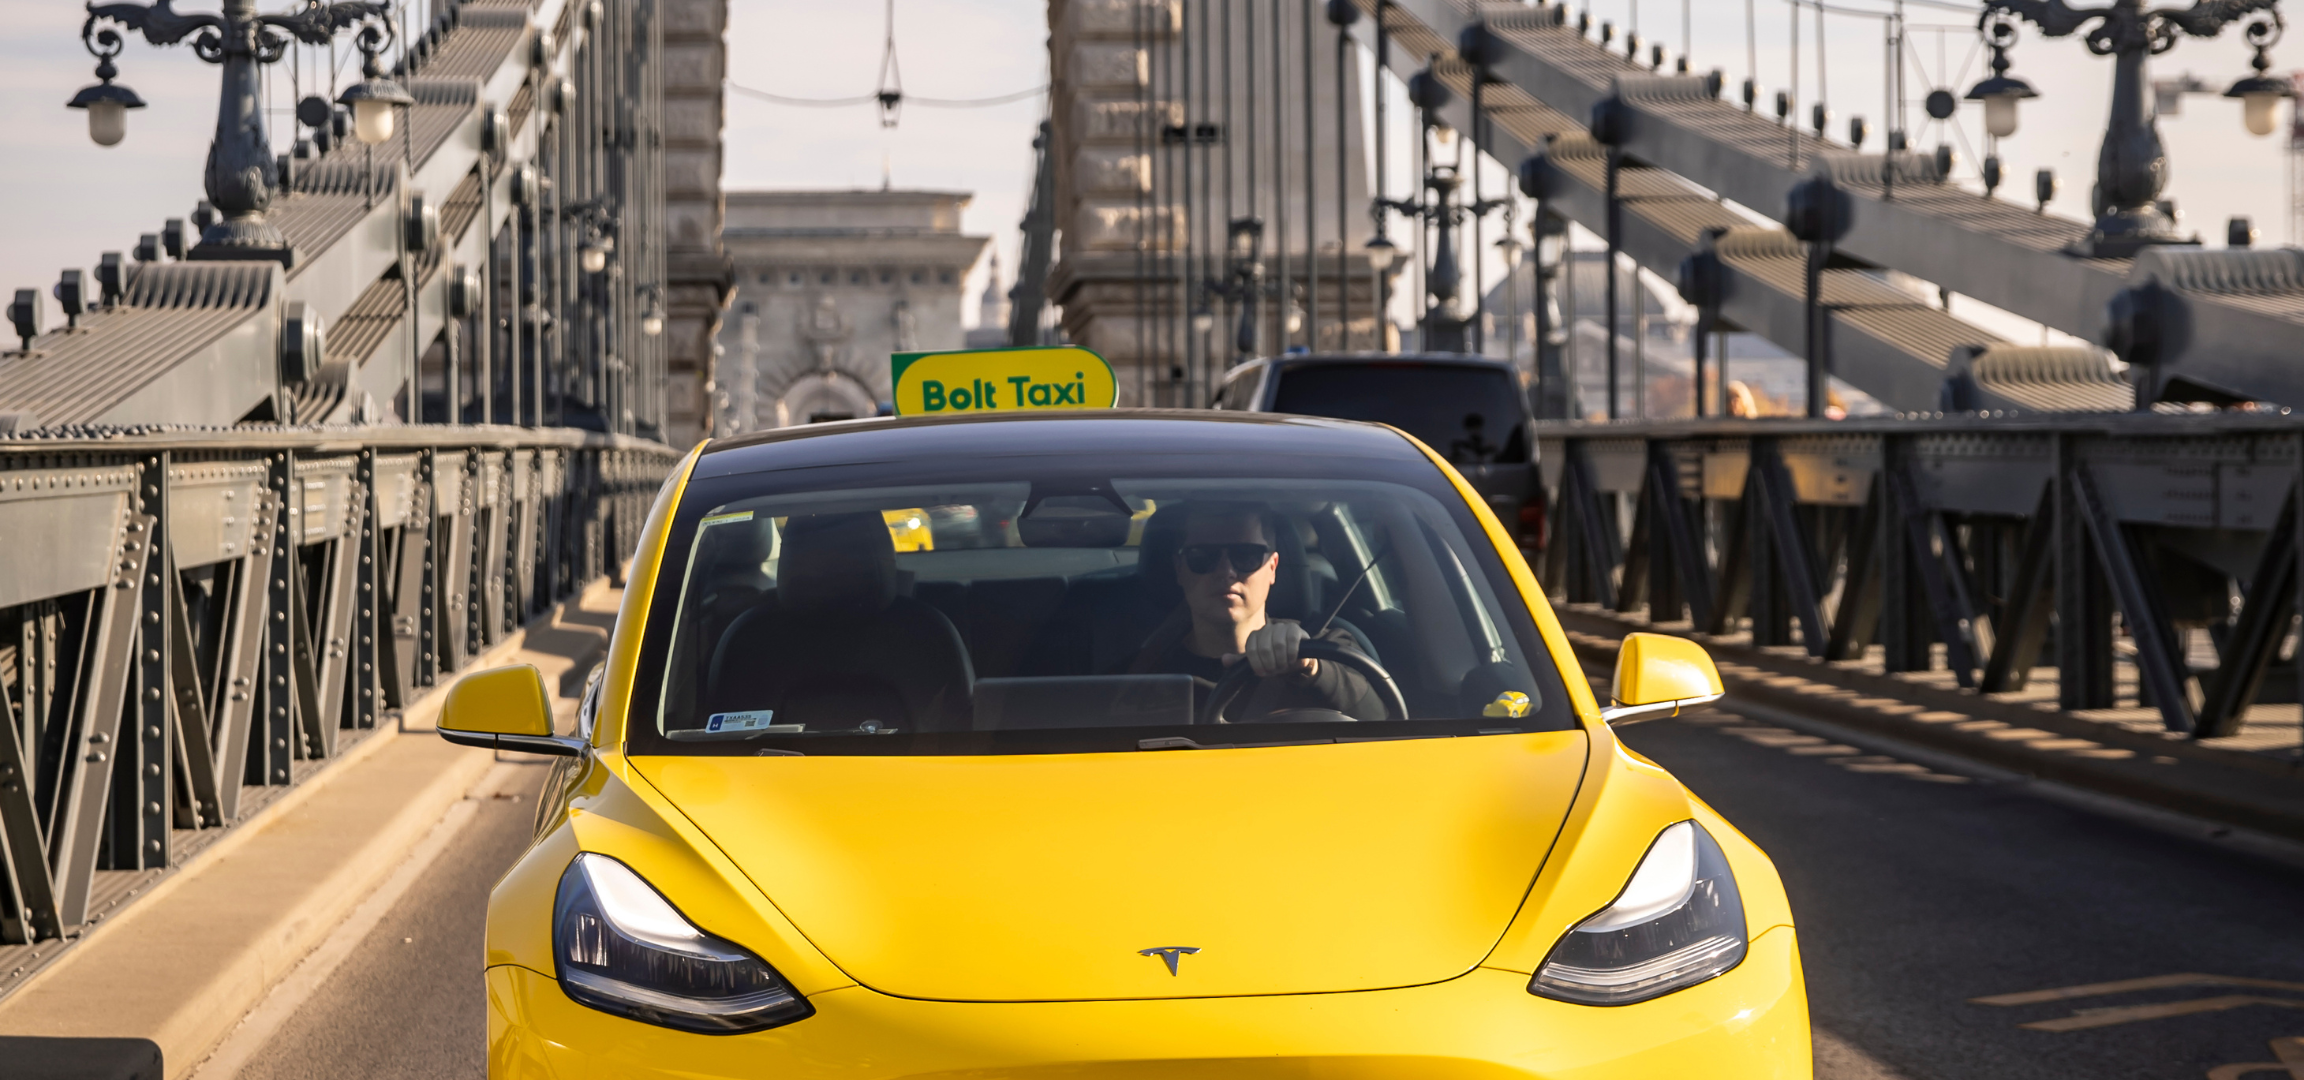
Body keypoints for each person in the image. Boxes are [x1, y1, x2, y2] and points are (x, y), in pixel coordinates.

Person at [1133, 501, 1384, 722]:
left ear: (1272, 567)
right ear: (1179, 569)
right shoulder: (1141, 674)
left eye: (1246, 555)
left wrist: (1310, 667)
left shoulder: (1329, 647)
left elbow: (1385, 723)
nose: (1226, 571)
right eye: (1203, 556)